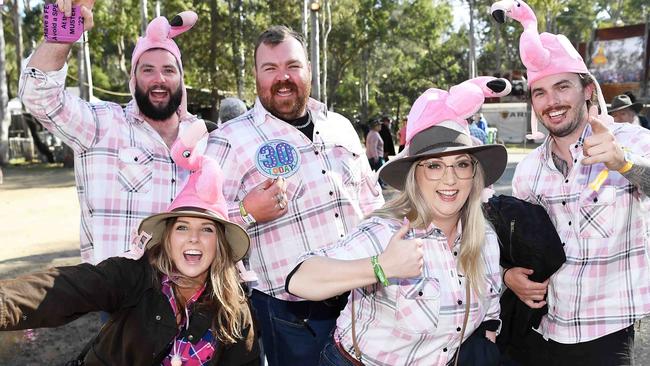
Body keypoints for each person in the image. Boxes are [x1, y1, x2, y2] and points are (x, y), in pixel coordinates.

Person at [286, 76, 511, 365]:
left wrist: (488, 332)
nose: (450, 178)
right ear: (414, 176)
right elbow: (300, 279)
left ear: (474, 175)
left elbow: (490, 306)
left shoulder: (485, 238)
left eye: (462, 164)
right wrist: (381, 267)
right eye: (434, 165)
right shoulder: (388, 232)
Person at [0, 122, 259, 365]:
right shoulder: (133, 275)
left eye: (207, 229)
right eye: (182, 227)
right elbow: (65, 288)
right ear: (167, 239)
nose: (193, 237)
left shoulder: (235, 311)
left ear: (220, 244)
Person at [206, 26, 384, 365]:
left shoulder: (340, 127)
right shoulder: (229, 141)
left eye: (292, 65)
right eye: (270, 68)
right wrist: (246, 212)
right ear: (256, 76)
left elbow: (371, 203)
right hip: (292, 315)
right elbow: (199, 228)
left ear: (309, 71)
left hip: (364, 297)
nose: (282, 77)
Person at [492, 1, 650, 364]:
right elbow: (514, 245)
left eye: (562, 87)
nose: (552, 102)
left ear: (587, 90)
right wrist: (508, 275)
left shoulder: (626, 140)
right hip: (541, 331)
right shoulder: (530, 169)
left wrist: (622, 163)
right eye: (540, 92)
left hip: (607, 332)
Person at [19, 0, 204, 264]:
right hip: (114, 297)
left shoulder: (201, 139)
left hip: (184, 297)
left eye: (168, 70)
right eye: (147, 70)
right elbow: (39, 98)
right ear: (133, 80)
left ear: (181, 80)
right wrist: (61, 38)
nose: (159, 79)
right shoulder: (102, 124)